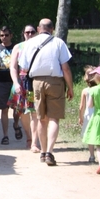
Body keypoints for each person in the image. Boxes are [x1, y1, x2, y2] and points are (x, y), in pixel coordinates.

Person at [18, 18, 74, 166]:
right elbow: (65, 68)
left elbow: (23, 67)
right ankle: (49, 151)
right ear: (52, 29)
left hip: (36, 82)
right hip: (55, 81)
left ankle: (42, 152)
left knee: (41, 118)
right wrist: (70, 87)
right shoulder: (58, 43)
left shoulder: (29, 43)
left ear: (38, 29)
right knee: (54, 118)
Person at [8, 25, 38, 151]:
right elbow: (13, 67)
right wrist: (16, 83)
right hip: (22, 81)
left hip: (36, 81)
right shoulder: (18, 47)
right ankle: (29, 137)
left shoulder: (39, 45)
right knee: (23, 112)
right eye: (27, 32)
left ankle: (34, 143)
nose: (30, 34)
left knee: (34, 111)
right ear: (23, 33)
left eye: (32, 32)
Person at [0, 26, 19, 145]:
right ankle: (5, 135)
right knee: (4, 109)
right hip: (1, 82)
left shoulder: (16, 48)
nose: (4, 38)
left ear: (11, 35)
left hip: (15, 82)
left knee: (17, 109)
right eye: (1, 35)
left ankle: (16, 124)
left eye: (6, 35)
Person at [78, 65, 97, 163]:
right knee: (98, 135)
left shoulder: (85, 91)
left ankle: (92, 156)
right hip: (99, 115)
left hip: (89, 116)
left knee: (90, 136)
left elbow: (82, 106)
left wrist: (80, 117)